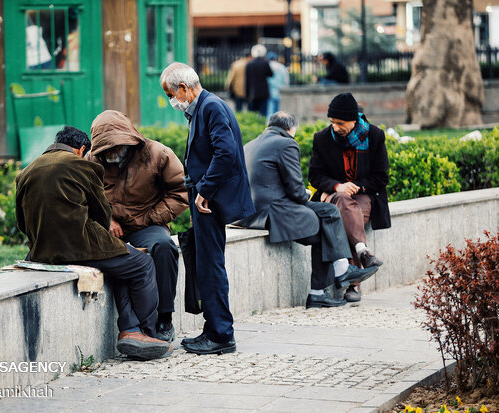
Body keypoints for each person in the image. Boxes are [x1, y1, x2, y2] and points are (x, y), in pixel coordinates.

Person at [15, 126, 173, 360]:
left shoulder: (26, 172)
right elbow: (101, 215)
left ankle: (130, 328)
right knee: (142, 265)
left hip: (42, 252)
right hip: (82, 248)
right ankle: (146, 333)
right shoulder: (84, 166)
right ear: (81, 149)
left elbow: (21, 222)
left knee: (121, 265)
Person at [160, 62, 255, 355]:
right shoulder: (206, 107)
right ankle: (214, 328)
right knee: (207, 262)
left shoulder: (211, 107)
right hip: (206, 200)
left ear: (184, 88)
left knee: (210, 265)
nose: (171, 100)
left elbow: (226, 153)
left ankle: (221, 334)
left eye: (170, 93)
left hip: (209, 202)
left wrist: (204, 190)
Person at [239, 112, 378, 308]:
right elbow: (296, 192)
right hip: (274, 212)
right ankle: (342, 270)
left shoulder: (250, 145)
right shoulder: (286, 143)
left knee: (325, 231)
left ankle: (318, 294)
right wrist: (306, 193)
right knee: (329, 212)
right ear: (290, 129)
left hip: (250, 214)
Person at [86, 110, 189, 343]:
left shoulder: (158, 154)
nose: (111, 152)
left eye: (116, 146)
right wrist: (107, 220)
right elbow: (84, 198)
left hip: (148, 223)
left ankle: (165, 318)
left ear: (129, 138)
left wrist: (150, 218)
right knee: (120, 258)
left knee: (164, 247)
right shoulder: (92, 160)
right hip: (109, 228)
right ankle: (134, 329)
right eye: (106, 148)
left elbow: (181, 193)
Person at [309, 93, 391, 302]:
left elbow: (381, 177)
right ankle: (361, 259)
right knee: (344, 206)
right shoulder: (322, 138)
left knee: (351, 214)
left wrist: (356, 187)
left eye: (340, 123)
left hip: (363, 193)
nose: (335, 127)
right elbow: (315, 176)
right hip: (333, 194)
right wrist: (337, 186)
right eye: (332, 122)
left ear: (354, 120)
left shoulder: (374, 136)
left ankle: (352, 275)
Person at [245, 44, 273, 116]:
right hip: (263, 93)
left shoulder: (249, 64)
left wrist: (247, 94)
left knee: (253, 114)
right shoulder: (265, 63)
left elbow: (247, 80)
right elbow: (271, 74)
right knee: (263, 113)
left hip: (252, 93)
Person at [266, 52, 289, 119]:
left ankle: (269, 126)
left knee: (270, 111)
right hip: (280, 91)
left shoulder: (268, 66)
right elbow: (286, 81)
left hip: (270, 91)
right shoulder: (282, 67)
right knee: (279, 112)